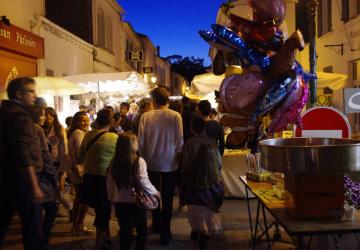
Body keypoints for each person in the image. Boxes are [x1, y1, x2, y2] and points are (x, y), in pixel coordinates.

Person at [0, 77, 45, 250]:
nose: (35, 95)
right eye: (31, 91)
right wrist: (34, 186)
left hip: (6, 177)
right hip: (23, 180)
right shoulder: (20, 117)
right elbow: (22, 153)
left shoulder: (5, 112)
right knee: (33, 230)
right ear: (19, 94)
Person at [138, 86, 183, 245]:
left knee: (153, 194)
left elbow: (140, 142)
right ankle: (166, 231)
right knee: (168, 198)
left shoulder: (145, 117)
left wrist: (143, 159)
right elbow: (179, 142)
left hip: (151, 162)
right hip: (170, 162)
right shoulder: (175, 116)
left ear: (154, 100)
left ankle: (157, 224)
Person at [107, 133, 160, 250]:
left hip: (120, 202)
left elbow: (110, 182)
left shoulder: (114, 161)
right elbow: (143, 181)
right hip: (135, 203)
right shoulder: (139, 161)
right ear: (130, 145)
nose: (138, 143)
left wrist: (112, 200)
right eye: (136, 141)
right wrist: (156, 192)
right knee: (142, 232)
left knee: (125, 234)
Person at [180, 117, 223, 250]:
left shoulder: (189, 144)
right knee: (206, 216)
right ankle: (201, 237)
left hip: (193, 185)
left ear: (192, 128)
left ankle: (196, 233)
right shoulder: (212, 143)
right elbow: (219, 165)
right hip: (209, 183)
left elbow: (184, 168)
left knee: (197, 215)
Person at [79, 109, 118, 250]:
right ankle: (98, 243)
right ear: (111, 121)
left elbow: (81, 154)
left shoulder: (89, 135)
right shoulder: (114, 138)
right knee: (103, 210)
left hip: (88, 177)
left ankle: (106, 236)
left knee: (101, 209)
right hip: (104, 179)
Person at [30, 104, 59, 247]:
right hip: (42, 178)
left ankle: (40, 238)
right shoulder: (37, 130)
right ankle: (42, 239)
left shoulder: (29, 129)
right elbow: (45, 156)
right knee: (51, 210)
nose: (44, 117)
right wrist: (54, 179)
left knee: (36, 214)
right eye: (41, 115)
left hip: (34, 178)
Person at [43, 107, 72, 217]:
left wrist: (63, 166)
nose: (47, 119)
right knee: (52, 189)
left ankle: (70, 207)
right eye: (46, 117)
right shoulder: (42, 128)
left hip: (57, 162)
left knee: (57, 188)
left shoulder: (59, 128)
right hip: (46, 162)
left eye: (50, 118)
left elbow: (65, 148)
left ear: (54, 118)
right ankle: (62, 208)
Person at [67, 111, 91, 234]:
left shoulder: (75, 133)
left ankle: (75, 225)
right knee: (84, 200)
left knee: (79, 198)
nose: (86, 122)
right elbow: (81, 154)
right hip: (79, 171)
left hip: (74, 170)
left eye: (87, 119)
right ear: (76, 122)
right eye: (82, 120)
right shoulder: (79, 134)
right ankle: (79, 225)